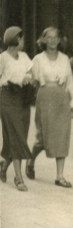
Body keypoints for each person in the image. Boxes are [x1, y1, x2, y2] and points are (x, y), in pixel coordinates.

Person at [26, 27, 73, 188]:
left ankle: (60, 176)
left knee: (62, 136)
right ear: (43, 40)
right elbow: (30, 79)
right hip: (45, 99)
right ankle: (30, 160)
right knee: (43, 138)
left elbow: (70, 81)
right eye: (49, 38)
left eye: (55, 37)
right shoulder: (38, 59)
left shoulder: (64, 59)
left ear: (59, 40)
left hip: (62, 99)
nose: (52, 41)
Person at [0, 26, 34, 191]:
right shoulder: (3, 58)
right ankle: (18, 178)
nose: (23, 41)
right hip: (7, 98)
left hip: (23, 97)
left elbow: (32, 73)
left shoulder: (25, 56)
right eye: (21, 38)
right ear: (15, 39)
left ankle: (4, 166)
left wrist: (29, 78)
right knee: (17, 135)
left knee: (20, 135)